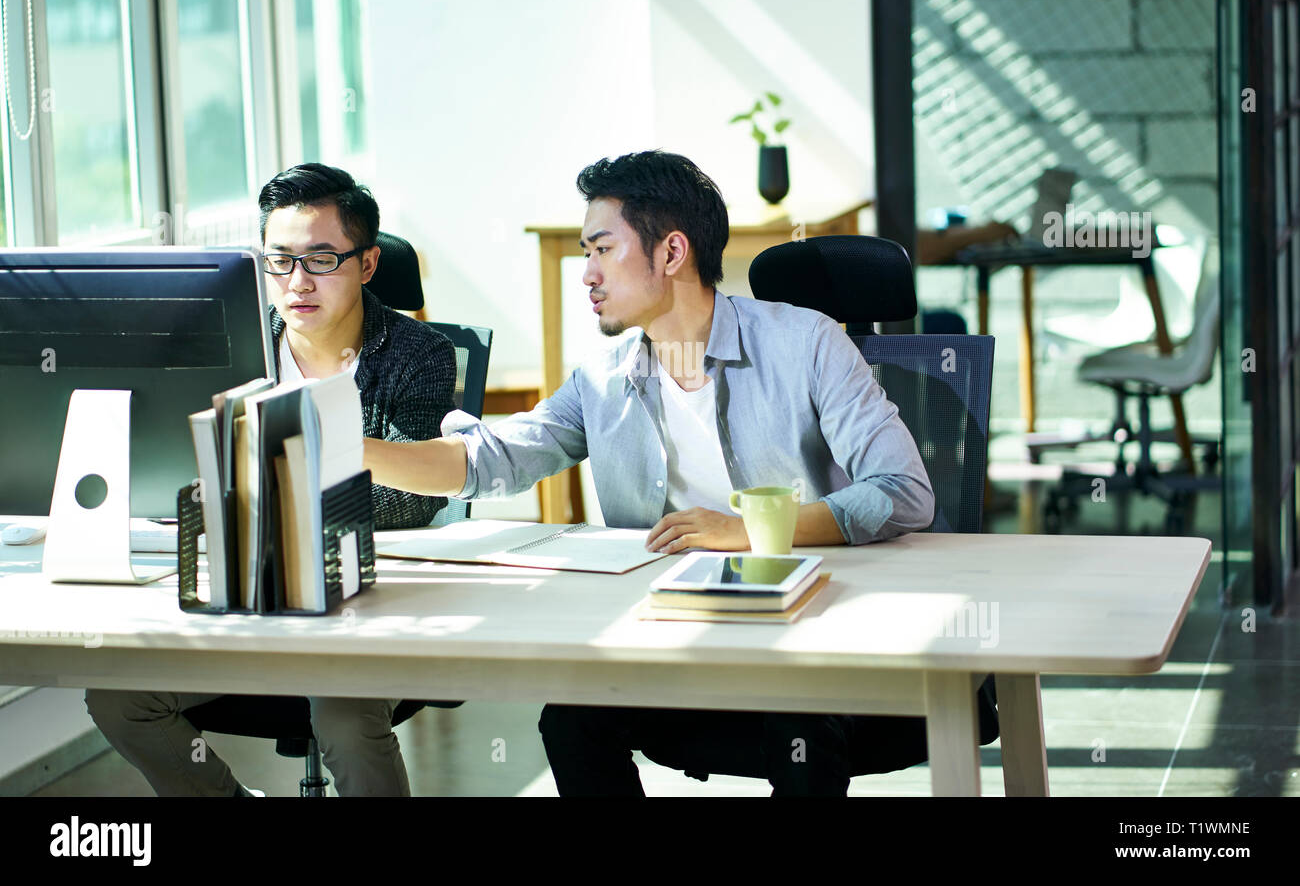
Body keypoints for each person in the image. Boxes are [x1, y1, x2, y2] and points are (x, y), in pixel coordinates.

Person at [365, 150, 993, 795]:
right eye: (586, 253)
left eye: (603, 250)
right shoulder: (604, 377)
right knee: (573, 718)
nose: (587, 274)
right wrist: (349, 448)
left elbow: (903, 493)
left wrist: (743, 531)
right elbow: (489, 460)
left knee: (799, 721)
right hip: (675, 630)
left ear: (671, 252)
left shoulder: (806, 342)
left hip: (813, 630)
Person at [85, 164, 457, 796]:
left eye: (321, 260)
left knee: (341, 711)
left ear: (367, 265)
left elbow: (413, 496)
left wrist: (274, 500)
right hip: (243, 592)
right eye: (280, 261)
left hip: (361, 598)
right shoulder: (234, 344)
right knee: (119, 697)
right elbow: (184, 471)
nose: (297, 282)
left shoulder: (418, 353)